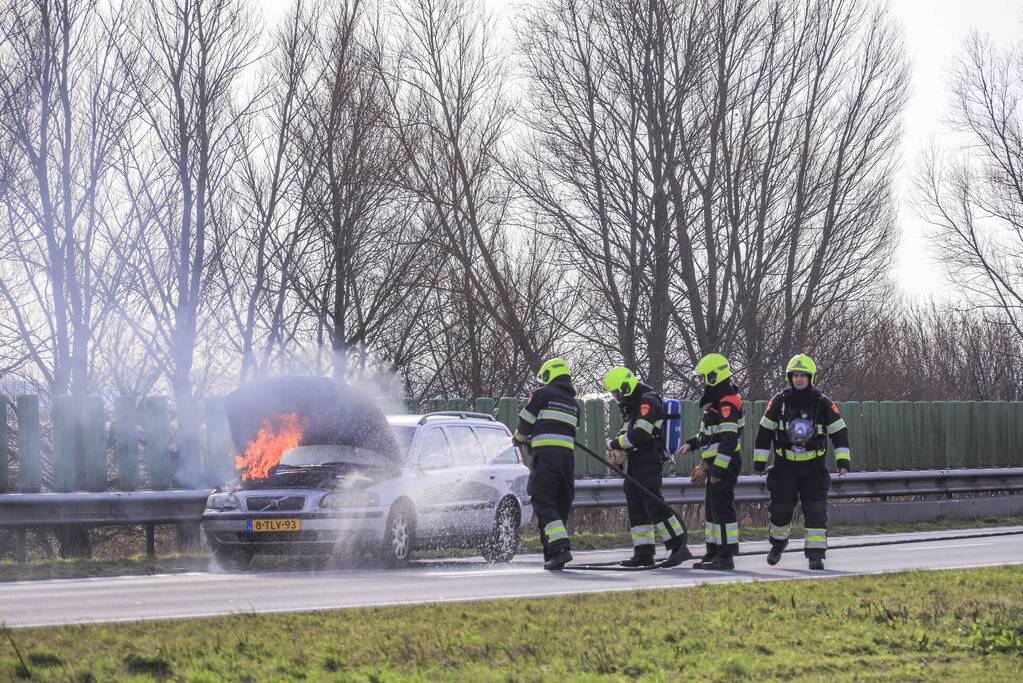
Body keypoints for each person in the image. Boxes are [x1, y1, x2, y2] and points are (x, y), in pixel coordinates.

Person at [754, 353, 851, 570]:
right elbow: (764, 431)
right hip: (784, 467)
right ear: (790, 377)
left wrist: (843, 460)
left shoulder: (823, 403)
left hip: (814, 469)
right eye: (795, 375)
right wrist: (759, 462)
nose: (799, 379)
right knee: (780, 511)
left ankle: (815, 556)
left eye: (803, 375)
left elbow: (839, 431)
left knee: (815, 512)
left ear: (810, 377)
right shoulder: (778, 402)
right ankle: (778, 545)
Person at [604, 367, 692, 568]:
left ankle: (678, 546)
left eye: (617, 393)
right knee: (635, 501)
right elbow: (626, 431)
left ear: (626, 387)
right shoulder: (633, 405)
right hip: (635, 461)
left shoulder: (647, 401)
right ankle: (643, 552)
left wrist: (614, 444)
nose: (616, 398)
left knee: (653, 503)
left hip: (648, 459)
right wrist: (616, 450)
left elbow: (641, 434)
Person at [677, 353, 743, 570]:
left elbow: (728, 441)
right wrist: (691, 444)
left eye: (704, 377)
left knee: (722, 509)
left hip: (724, 463)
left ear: (714, 377)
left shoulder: (727, 404)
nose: (702, 382)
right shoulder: (716, 404)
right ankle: (713, 552)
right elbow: (709, 436)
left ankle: (725, 557)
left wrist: (717, 470)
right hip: (715, 463)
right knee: (712, 510)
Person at [514, 357, 579, 570]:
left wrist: (519, 438)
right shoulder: (573, 403)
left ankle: (560, 547)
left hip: (547, 459)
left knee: (543, 501)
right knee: (559, 505)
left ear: (550, 374)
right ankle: (553, 555)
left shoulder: (541, 395)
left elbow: (525, 424)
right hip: (567, 462)